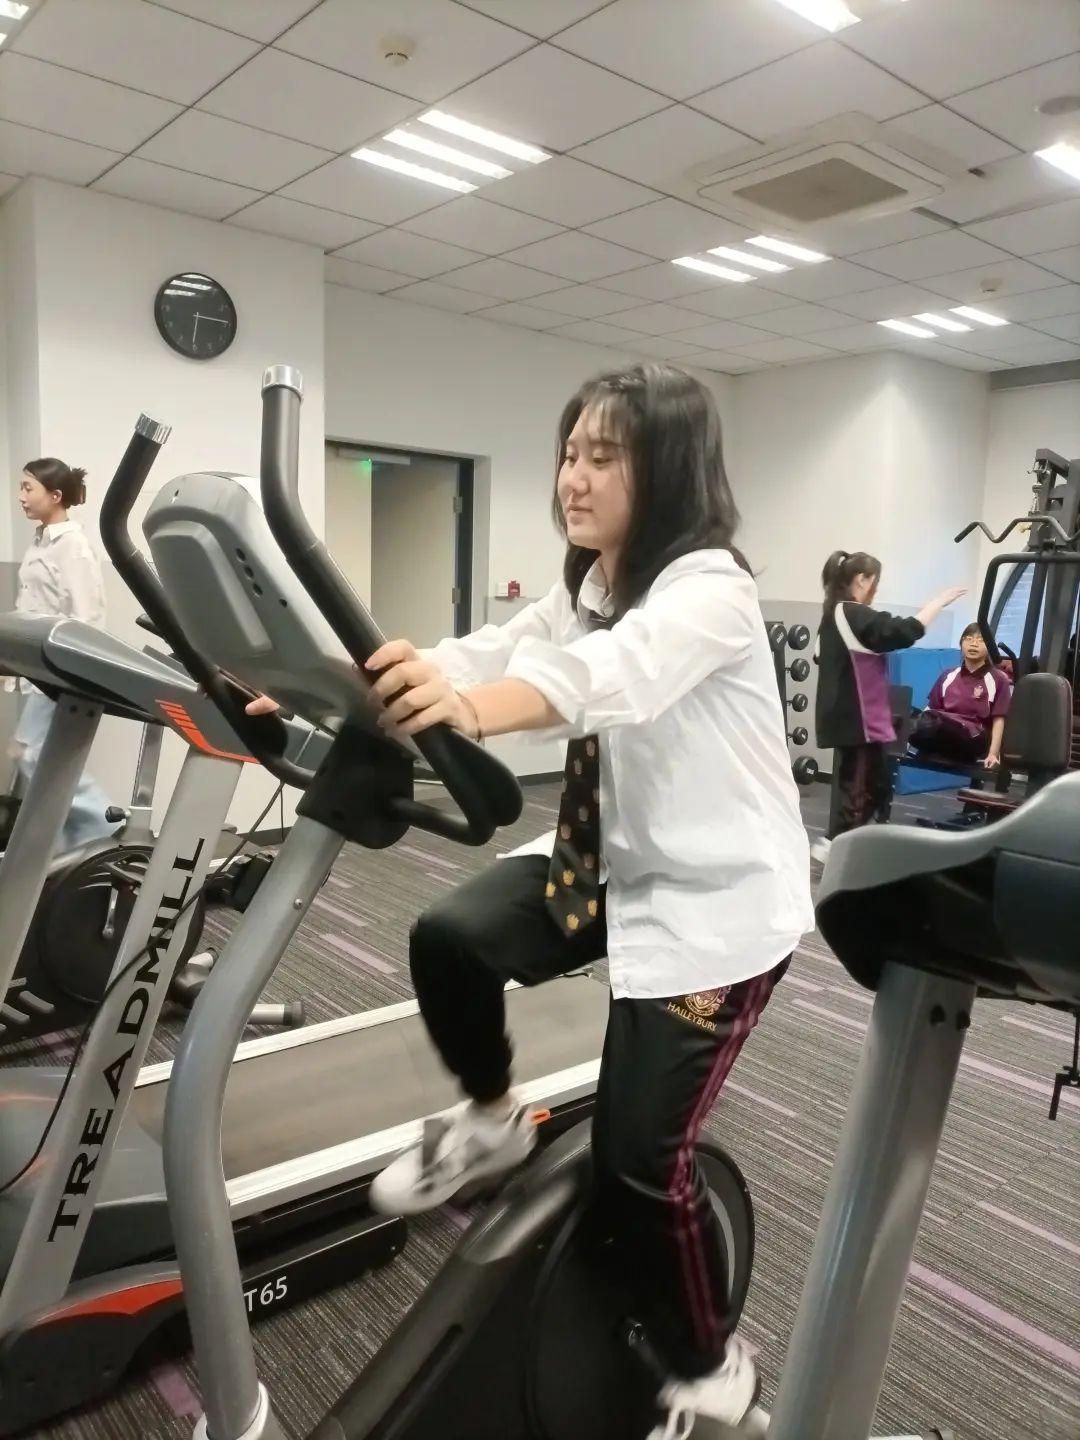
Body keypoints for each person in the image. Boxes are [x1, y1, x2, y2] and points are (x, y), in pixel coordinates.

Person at [348, 364, 812, 1438]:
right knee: (451, 938)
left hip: (717, 906)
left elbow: (614, 675)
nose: (574, 477)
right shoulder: (590, 586)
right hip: (612, 863)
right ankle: (491, 1119)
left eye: (604, 457)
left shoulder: (711, 589)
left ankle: (712, 1365)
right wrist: (366, 680)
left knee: (640, 1160)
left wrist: (470, 708)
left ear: (671, 470)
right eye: (569, 453)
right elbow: (502, 649)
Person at [813, 550, 965, 865]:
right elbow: (905, 631)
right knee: (860, 787)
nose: (876, 589)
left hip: (857, 717)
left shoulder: (834, 615)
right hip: (859, 718)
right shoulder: (853, 613)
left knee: (877, 785)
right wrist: (939, 602)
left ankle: (846, 843)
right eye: (875, 582)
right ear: (862, 580)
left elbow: (819, 654)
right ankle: (836, 844)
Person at [7, 458, 113, 849]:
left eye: (28, 488)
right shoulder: (41, 540)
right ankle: (65, 848)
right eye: (21, 487)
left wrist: (72, 673)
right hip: (38, 668)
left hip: (60, 671)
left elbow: (86, 618)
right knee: (36, 757)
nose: (21, 496)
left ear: (54, 496)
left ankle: (103, 827)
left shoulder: (73, 546)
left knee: (31, 754)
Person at [909, 622, 1012, 768]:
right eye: (969, 639)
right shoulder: (948, 675)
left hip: (975, 736)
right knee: (911, 716)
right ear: (961, 643)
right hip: (944, 731)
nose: (974, 644)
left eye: (980, 640)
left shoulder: (998, 679)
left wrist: (993, 754)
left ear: (989, 646)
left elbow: (999, 720)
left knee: (934, 723)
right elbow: (931, 709)